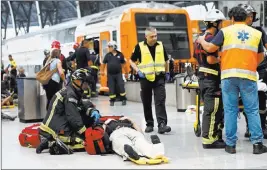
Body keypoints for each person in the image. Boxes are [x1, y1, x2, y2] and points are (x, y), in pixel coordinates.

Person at [197, 6, 267, 154]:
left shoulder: (225, 32)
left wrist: (201, 40)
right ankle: (257, 145)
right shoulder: (256, 33)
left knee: (230, 110)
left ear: (232, 18)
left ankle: (230, 145)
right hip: (248, 76)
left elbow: (209, 48)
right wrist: (249, 64)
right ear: (247, 17)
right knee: (252, 110)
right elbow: (261, 57)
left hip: (229, 77)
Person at [36, 68, 101, 155]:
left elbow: (82, 105)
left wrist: (92, 110)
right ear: (78, 81)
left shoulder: (72, 91)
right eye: (85, 83)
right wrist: (86, 133)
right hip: (52, 131)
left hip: (57, 125)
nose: (87, 86)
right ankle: (50, 143)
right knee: (84, 143)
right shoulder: (70, 95)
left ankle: (52, 141)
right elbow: (74, 118)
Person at [193, 9, 226, 149]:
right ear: (214, 23)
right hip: (211, 78)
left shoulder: (200, 38)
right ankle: (209, 139)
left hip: (204, 78)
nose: (222, 25)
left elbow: (197, 58)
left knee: (210, 108)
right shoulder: (210, 39)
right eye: (220, 23)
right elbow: (211, 59)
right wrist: (223, 58)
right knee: (213, 109)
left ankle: (213, 136)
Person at [129, 27, 171, 134]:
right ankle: (149, 124)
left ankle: (162, 124)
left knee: (160, 101)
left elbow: (166, 60)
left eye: (156, 36)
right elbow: (131, 61)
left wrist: (167, 72)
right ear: (146, 37)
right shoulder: (139, 46)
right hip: (145, 78)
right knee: (146, 102)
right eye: (152, 36)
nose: (154, 38)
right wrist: (138, 71)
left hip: (159, 78)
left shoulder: (160, 45)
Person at [237, 3, 267, 139]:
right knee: (246, 100)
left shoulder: (259, 31)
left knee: (260, 99)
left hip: (259, 69)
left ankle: (261, 127)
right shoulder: (234, 31)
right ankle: (251, 127)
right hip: (243, 70)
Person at [103, 117, 168, 164]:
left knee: (140, 139)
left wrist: (131, 120)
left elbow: (140, 132)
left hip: (130, 130)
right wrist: (105, 124)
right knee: (122, 143)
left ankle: (156, 150)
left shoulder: (126, 121)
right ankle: (132, 153)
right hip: (116, 132)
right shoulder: (108, 124)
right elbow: (102, 134)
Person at [101, 41, 127, 106]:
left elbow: (124, 64)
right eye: (108, 47)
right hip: (110, 75)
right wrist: (102, 71)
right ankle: (112, 100)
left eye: (110, 47)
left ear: (114, 47)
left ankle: (123, 99)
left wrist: (126, 72)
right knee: (111, 87)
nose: (109, 48)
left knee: (121, 86)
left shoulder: (120, 54)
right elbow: (103, 64)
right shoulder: (107, 55)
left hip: (118, 74)